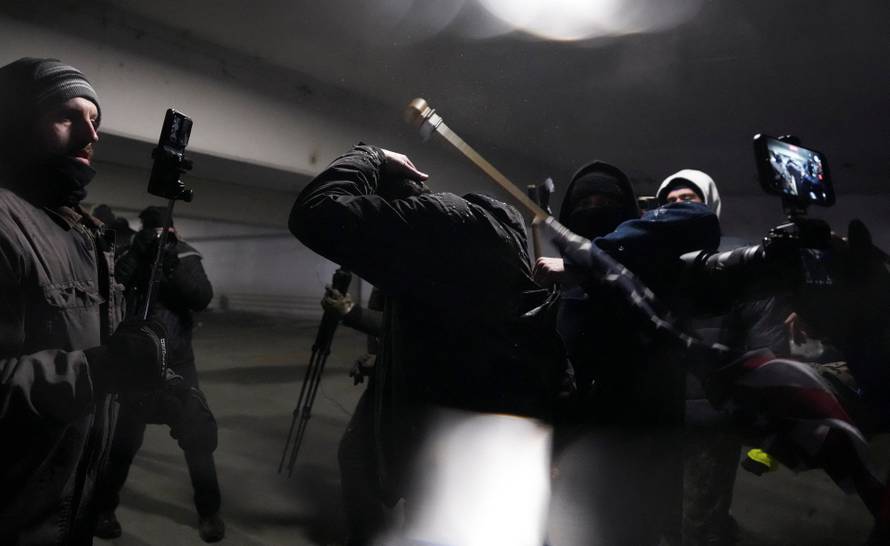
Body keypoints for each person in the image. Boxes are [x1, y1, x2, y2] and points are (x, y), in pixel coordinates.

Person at [289, 143, 563, 545]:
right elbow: (446, 323)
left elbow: (314, 213)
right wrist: (383, 362)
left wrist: (371, 155)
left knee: (436, 509)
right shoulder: (455, 235)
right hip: (463, 412)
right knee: (367, 463)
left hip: (460, 427)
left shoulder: (439, 225)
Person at [0, 57, 167, 545]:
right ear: (16, 123)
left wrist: (158, 383)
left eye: (94, 120)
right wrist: (99, 370)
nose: (90, 134)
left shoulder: (80, 230)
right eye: (67, 116)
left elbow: (88, 343)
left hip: (68, 510)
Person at [535, 161, 720, 545]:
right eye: (585, 204)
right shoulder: (556, 287)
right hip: (571, 457)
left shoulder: (651, 268)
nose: (594, 210)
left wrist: (589, 259)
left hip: (638, 452)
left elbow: (701, 219)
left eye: (606, 202)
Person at [93, 206, 224, 542]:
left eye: (160, 231)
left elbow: (201, 297)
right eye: (149, 230)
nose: (155, 236)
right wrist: (139, 254)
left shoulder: (185, 255)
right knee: (123, 442)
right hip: (137, 362)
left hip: (178, 361)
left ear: (172, 231)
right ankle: (103, 508)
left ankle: (209, 512)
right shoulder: (132, 252)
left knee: (196, 439)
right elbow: (113, 286)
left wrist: (170, 265)